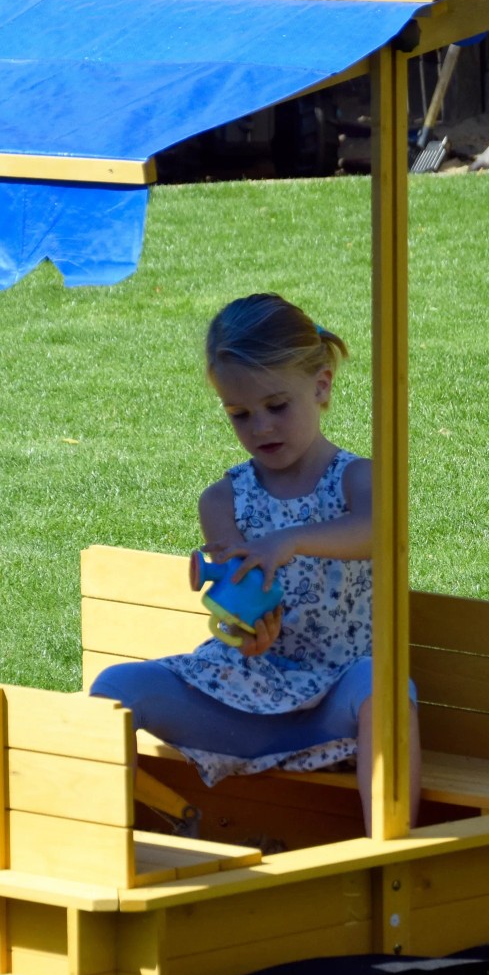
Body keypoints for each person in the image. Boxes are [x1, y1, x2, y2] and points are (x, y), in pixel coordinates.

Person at [90, 293, 420, 834]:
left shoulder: (360, 481)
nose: (260, 427)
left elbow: (380, 533)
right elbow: (236, 603)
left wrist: (287, 541)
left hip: (336, 708)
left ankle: (389, 850)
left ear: (322, 385)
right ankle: (109, 838)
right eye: (239, 414)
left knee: (383, 684)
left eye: (276, 406)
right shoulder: (222, 500)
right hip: (246, 701)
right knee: (115, 686)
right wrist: (246, 634)